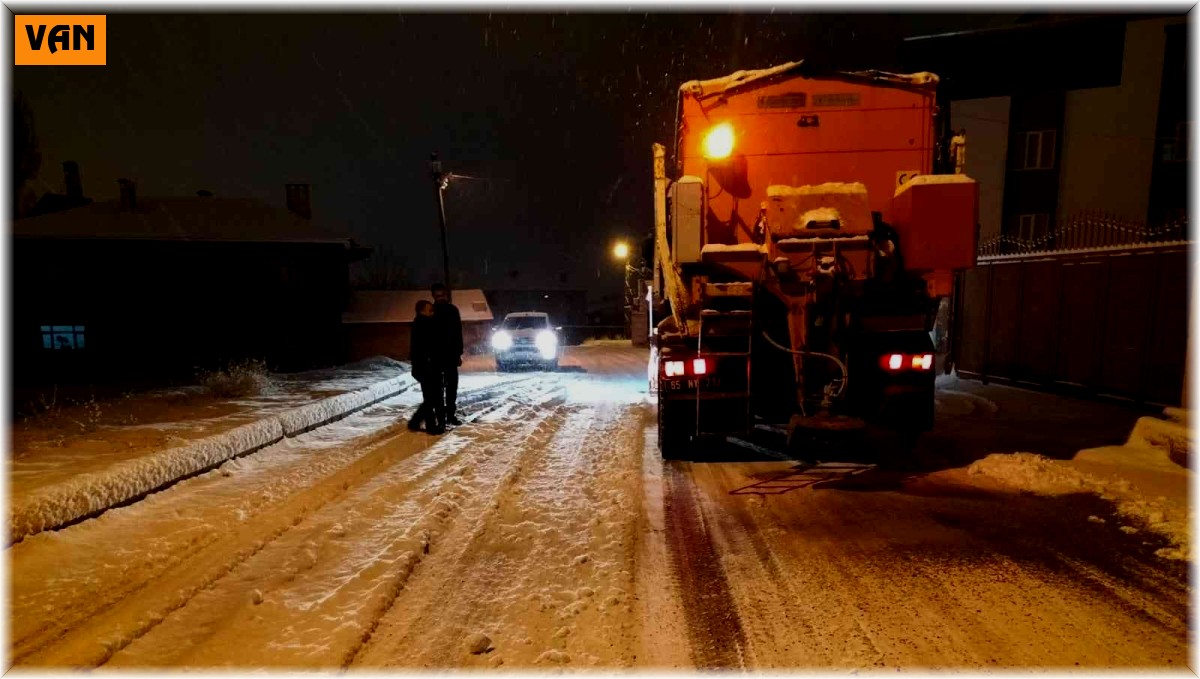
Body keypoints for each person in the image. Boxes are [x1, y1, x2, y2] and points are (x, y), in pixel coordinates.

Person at [408, 300, 444, 434]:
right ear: (422, 310)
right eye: (430, 309)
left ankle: (420, 423)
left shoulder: (422, 323)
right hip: (426, 366)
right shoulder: (423, 324)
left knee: (431, 397)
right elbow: (425, 347)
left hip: (426, 366)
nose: (432, 311)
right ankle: (425, 424)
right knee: (431, 398)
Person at [430, 282, 464, 426]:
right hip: (436, 356)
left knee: (451, 387)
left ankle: (450, 414)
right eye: (437, 295)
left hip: (449, 355)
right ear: (433, 295)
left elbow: (457, 332)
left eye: (442, 294)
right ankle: (441, 416)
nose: (440, 297)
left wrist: (458, 354)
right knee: (438, 388)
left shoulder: (452, 310)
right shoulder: (430, 311)